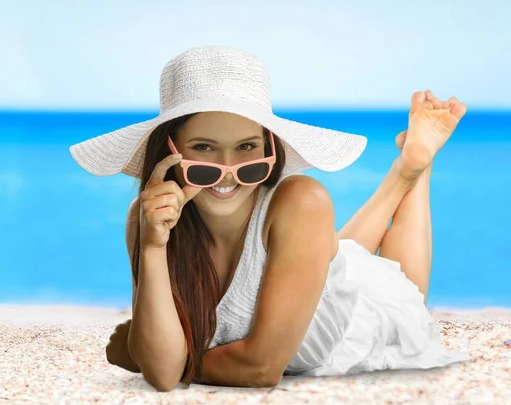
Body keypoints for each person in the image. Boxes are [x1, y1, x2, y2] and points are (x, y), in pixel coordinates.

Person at [69, 45, 470, 392]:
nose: (227, 171)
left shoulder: (302, 201)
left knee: (397, 287)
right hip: (315, 263)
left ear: (270, 148)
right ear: (168, 150)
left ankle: (415, 169)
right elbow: (162, 374)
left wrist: (146, 355)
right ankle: (404, 171)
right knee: (342, 256)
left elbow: (259, 369)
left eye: (246, 147)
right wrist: (155, 246)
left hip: (357, 325)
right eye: (204, 147)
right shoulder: (149, 218)